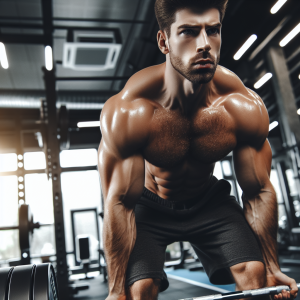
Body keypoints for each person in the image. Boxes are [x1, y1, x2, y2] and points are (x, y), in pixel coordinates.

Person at [98, 0, 298, 299]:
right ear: (164, 41)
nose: (205, 44)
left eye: (213, 31)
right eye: (189, 32)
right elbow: (119, 203)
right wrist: (115, 291)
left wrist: (271, 265)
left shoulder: (241, 105)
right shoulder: (130, 111)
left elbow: (257, 191)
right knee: (139, 290)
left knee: (256, 277)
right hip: (150, 207)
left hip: (209, 201)